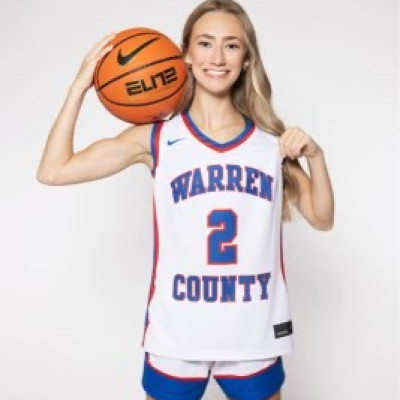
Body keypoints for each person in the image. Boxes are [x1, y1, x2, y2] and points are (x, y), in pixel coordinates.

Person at [36, 0, 334, 399]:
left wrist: (317, 157)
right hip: (176, 333)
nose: (218, 57)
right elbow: (54, 170)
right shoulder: (157, 138)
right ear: (186, 55)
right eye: (205, 43)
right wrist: (79, 87)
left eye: (232, 45)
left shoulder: (270, 145)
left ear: (247, 58)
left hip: (253, 332)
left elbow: (322, 218)